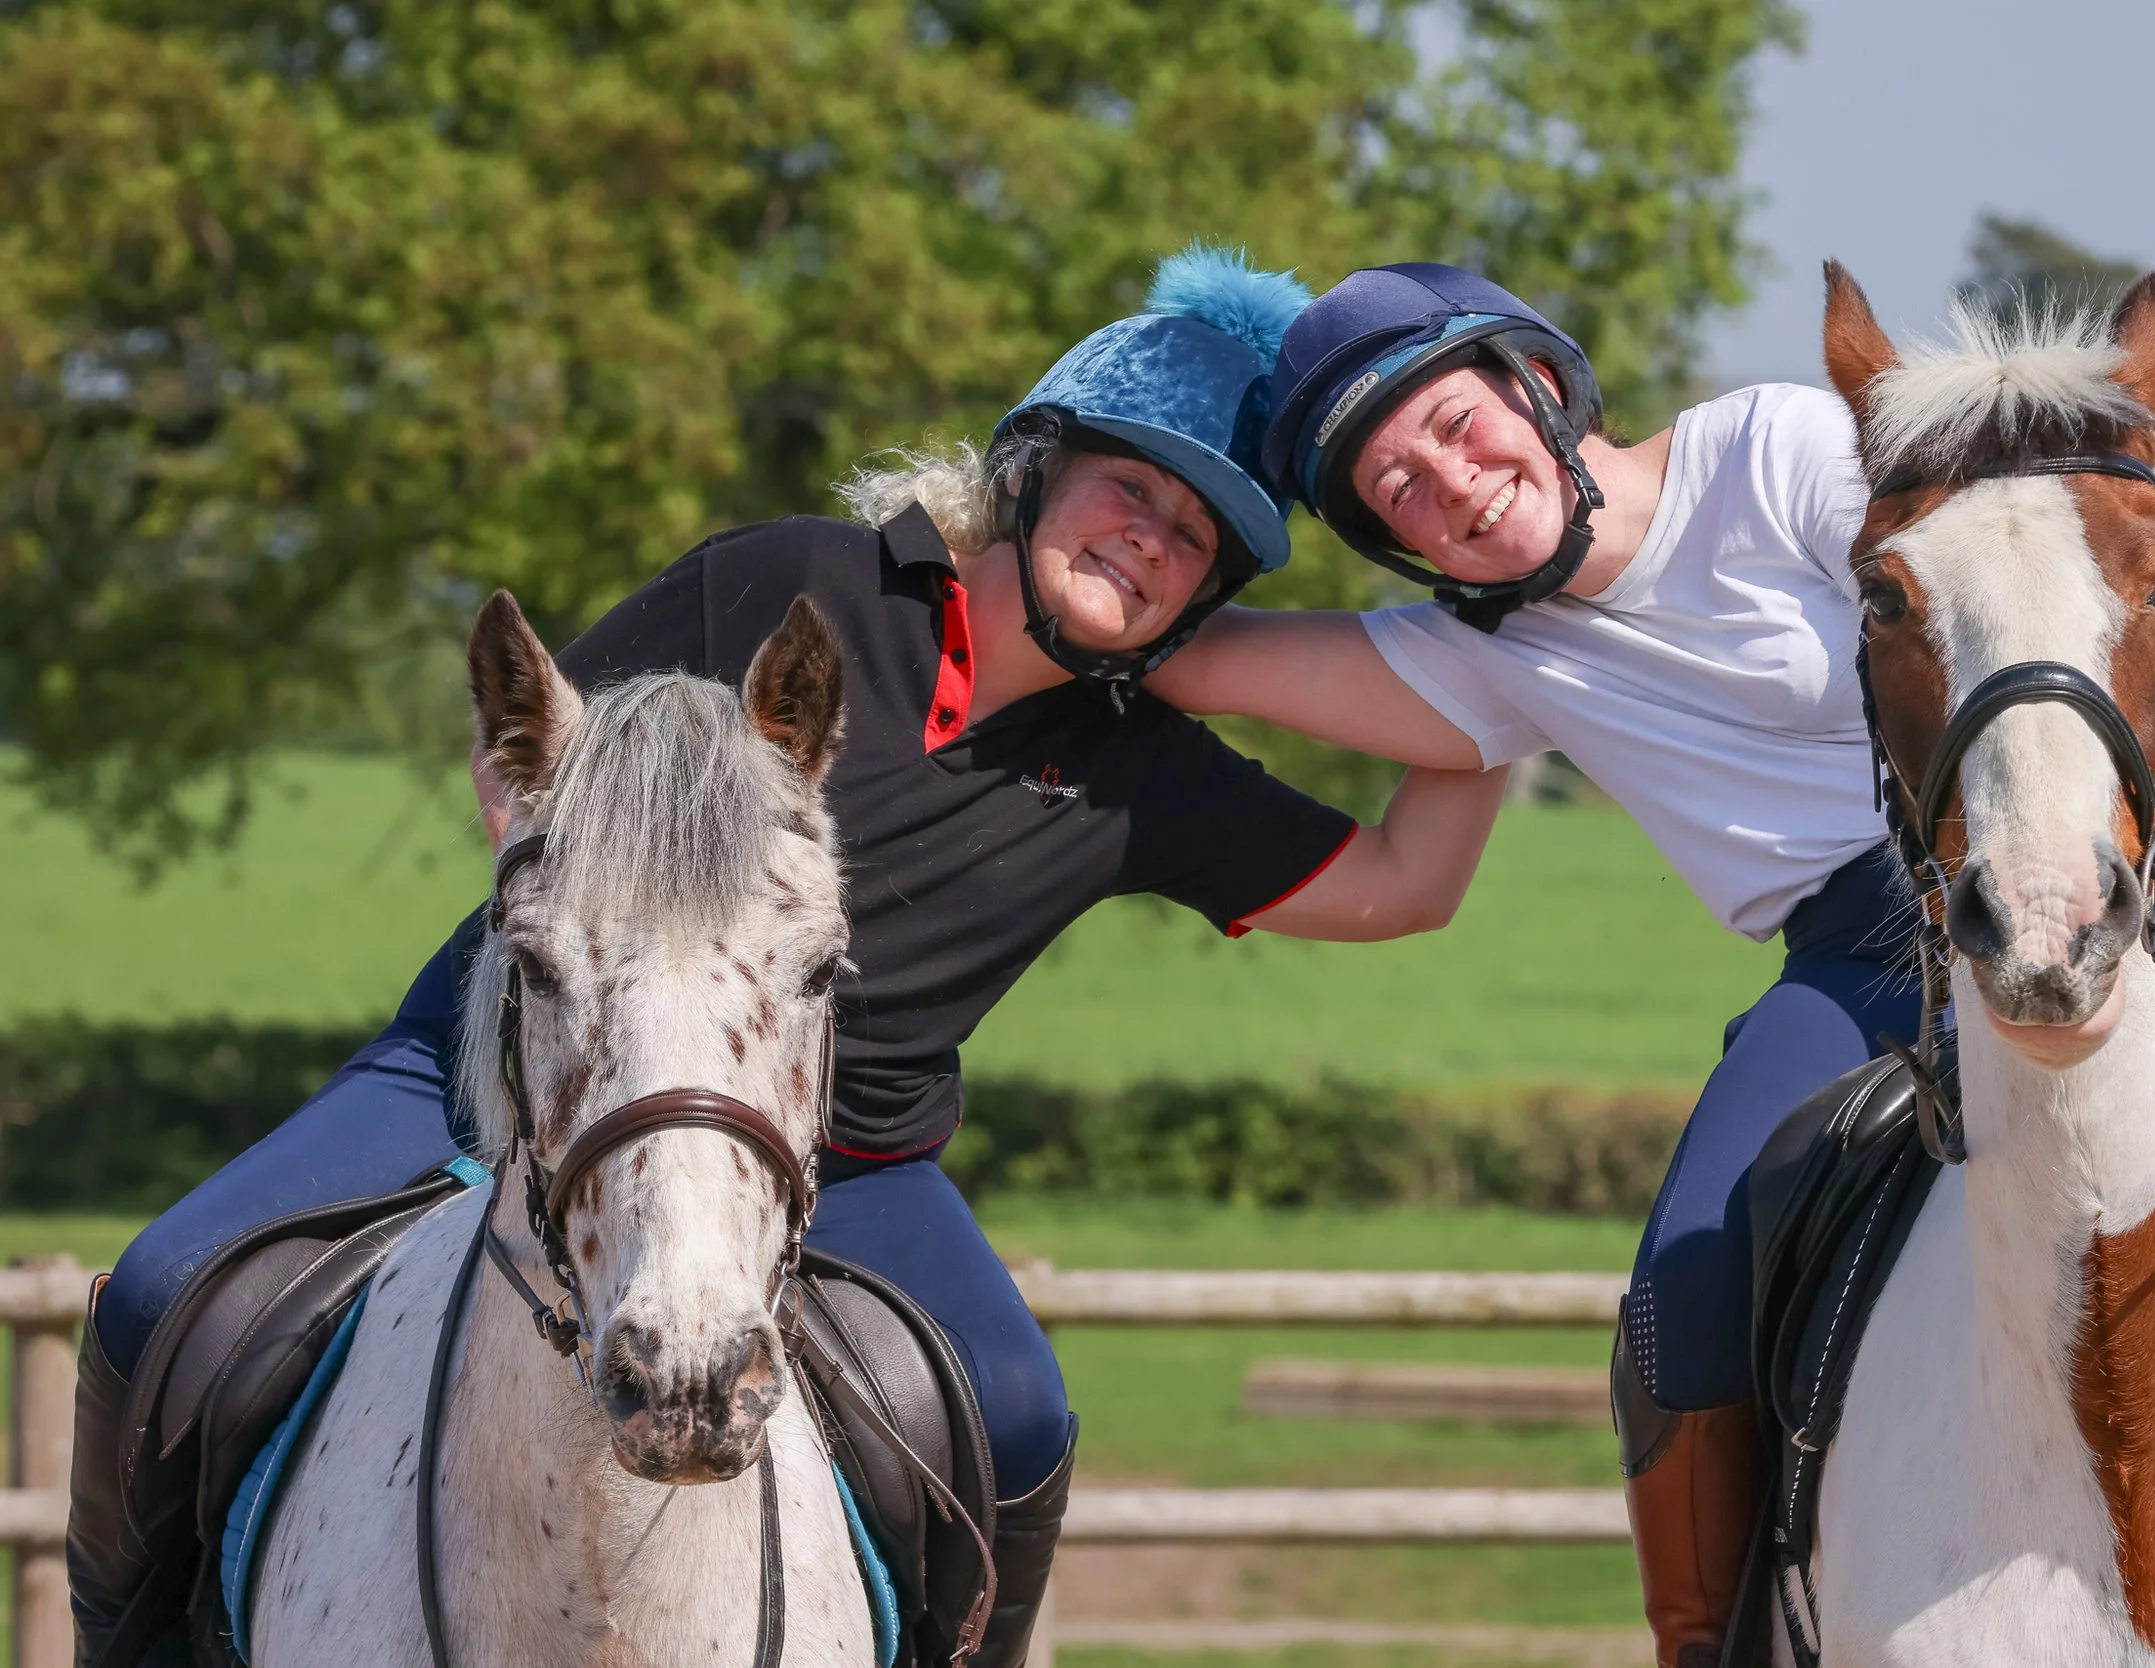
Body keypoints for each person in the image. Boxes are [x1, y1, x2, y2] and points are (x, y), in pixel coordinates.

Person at [73, 250, 1511, 1668]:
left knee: (1016, 1418)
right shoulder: (795, 577)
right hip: (504, 1061)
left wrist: (1501, 654)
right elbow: (538, 752)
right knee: (166, 1293)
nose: (1151, 538)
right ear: (1035, 472)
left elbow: (1406, 882)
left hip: (854, 1155)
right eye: (1132, 489)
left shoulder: (1144, 774)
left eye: (1196, 540)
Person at [1146, 260, 2155, 1668]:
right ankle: (1709, 1644)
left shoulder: (1770, 450)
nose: (1446, 482)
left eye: (1449, 425)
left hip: (2131, 825)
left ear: (1535, 383)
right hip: (1855, 943)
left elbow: (2005, 552)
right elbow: (1182, 650)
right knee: (1682, 1296)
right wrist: (1107, 521)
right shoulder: (1484, 660)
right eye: (1390, 488)